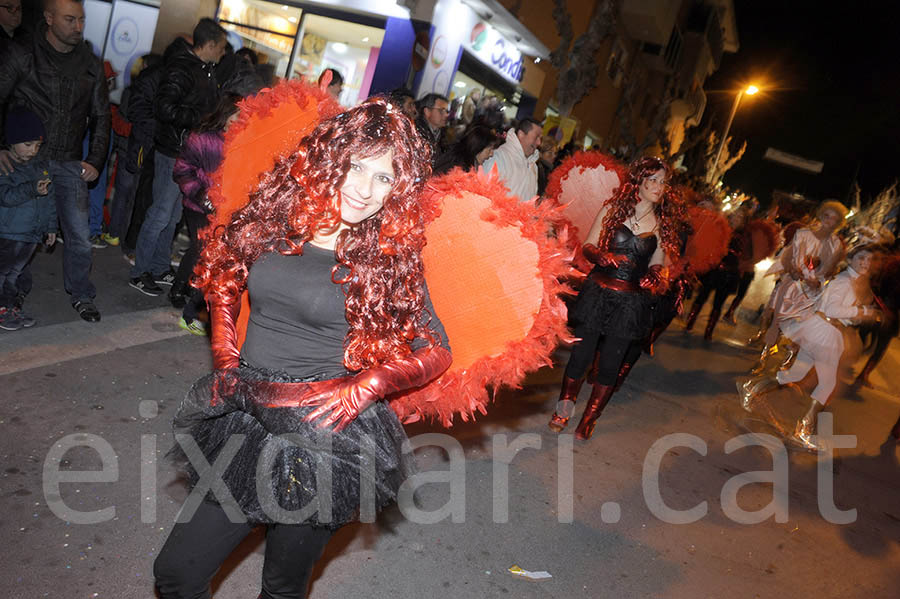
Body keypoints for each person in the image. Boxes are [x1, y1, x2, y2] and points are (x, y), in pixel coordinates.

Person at [153, 98, 453, 598]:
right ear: (331, 158)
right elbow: (224, 275)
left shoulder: (388, 257)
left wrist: (366, 388)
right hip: (246, 413)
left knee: (282, 588)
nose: (366, 189)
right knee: (178, 573)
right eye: (358, 166)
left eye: (385, 177)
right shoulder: (277, 215)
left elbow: (437, 349)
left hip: (323, 438)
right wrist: (227, 356)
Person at [547, 157, 684, 439]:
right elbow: (589, 244)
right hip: (598, 292)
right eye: (654, 180)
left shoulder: (662, 224)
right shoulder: (612, 209)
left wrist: (654, 275)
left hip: (630, 302)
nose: (660, 187)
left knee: (610, 364)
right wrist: (602, 256)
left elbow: (661, 263)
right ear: (639, 181)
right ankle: (564, 409)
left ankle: (589, 419)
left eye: (663, 182)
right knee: (580, 357)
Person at [0, 0, 111, 323]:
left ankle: (81, 294)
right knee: (19, 232)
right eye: (69, 19)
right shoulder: (22, 54)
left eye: (81, 20)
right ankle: (13, 292)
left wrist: (95, 159)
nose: (78, 26)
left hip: (69, 161)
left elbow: (102, 116)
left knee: (78, 234)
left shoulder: (91, 64)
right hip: (25, 159)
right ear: (49, 19)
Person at [739, 244, 883, 450]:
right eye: (861, 258)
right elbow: (832, 308)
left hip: (824, 331)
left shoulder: (854, 282)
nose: (865, 263)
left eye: (869, 260)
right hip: (825, 332)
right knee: (827, 385)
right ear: (851, 259)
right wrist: (861, 311)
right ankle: (803, 431)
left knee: (795, 375)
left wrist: (860, 315)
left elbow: (839, 311)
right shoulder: (844, 281)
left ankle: (751, 388)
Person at [128, 19, 226, 297]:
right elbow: (165, 108)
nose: (222, 54)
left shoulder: (202, 70)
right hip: (172, 150)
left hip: (184, 151)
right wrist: (200, 121)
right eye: (220, 48)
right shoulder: (182, 68)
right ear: (208, 45)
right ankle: (140, 271)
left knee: (171, 217)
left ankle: (159, 267)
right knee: (160, 214)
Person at [169, 94, 241, 334]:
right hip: (197, 206)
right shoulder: (202, 138)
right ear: (225, 113)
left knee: (208, 254)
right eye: (236, 115)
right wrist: (201, 195)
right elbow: (181, 170)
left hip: (224, 211)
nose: (239, 120)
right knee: (202, 250)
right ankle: (184, 298)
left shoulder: (244, 141)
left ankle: (187, 294)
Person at [748, 201, 847, 373]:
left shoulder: (836, 244)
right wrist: (793, 270)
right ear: (821, 215)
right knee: (776, 323)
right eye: (826, 216)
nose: (828, 221)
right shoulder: (803, 234)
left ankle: (785, 365)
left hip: (812, 293)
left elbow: (830, 269)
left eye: (834, 219)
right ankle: (763, 359)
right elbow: (787, 257)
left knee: (801, 330)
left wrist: (818, 280)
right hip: (791, 286)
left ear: (838, 223)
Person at [0, 107, 54, 330]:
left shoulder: (40, 167)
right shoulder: (5, 168)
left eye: (37, 145)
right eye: (28, 145)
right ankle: (3, 310)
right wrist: (32, 189)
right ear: (12, 142)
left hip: (32, 233)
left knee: (16, 273)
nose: (33, 151)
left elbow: (49, 201)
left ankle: (10, 308)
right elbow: (6, 197)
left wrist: (51, 227)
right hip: (10, 232)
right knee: (3, 272)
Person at [482, 117, 542, 203]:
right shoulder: (499, 157)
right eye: (536, 137)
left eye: (540, 138)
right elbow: (484, 194)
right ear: (521, 134)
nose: (539, 143)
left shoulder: (533, 166)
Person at [432, 124, 501, 175]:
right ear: (478, 146)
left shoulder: (463, 159)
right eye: (489, 149)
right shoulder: (458, 167)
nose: (491, 154)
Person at [414, 92, 449, 161]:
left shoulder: (445, 135)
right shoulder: (415, 132)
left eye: (447, 111)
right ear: (427, 112)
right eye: (441, 110)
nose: (446, 115)